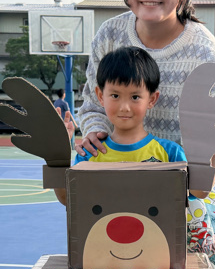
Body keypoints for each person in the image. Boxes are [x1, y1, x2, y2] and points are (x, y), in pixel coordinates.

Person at [73, 0, 215, 183]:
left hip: (177, 191)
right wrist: (95, 131)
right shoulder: (109, 35)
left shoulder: (205, 54)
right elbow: (94, 104)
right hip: (115, 183)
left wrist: (190, 189)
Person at [54, 47, 187, 205]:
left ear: (152, 99)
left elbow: (196, 193)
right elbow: (68, 199)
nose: (124, 107)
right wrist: (57, 155)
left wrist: (209, 149)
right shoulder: (90, 154)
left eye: (135, 97)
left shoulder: (170, 153)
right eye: (115, 95)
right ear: (100, 96)